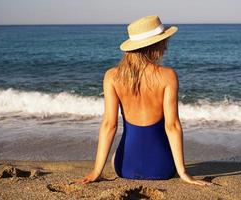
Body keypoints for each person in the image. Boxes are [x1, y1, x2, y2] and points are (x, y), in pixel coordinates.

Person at [72, 15, 212, 186]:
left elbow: (109, 125)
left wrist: (96, 171)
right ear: (155, 45)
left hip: (124, 168)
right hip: (163, 169)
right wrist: (183, 173)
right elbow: (172, 126)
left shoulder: (112, 76)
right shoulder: (168, 76)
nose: (166, 47)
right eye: (164, 41)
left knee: (118, 154)